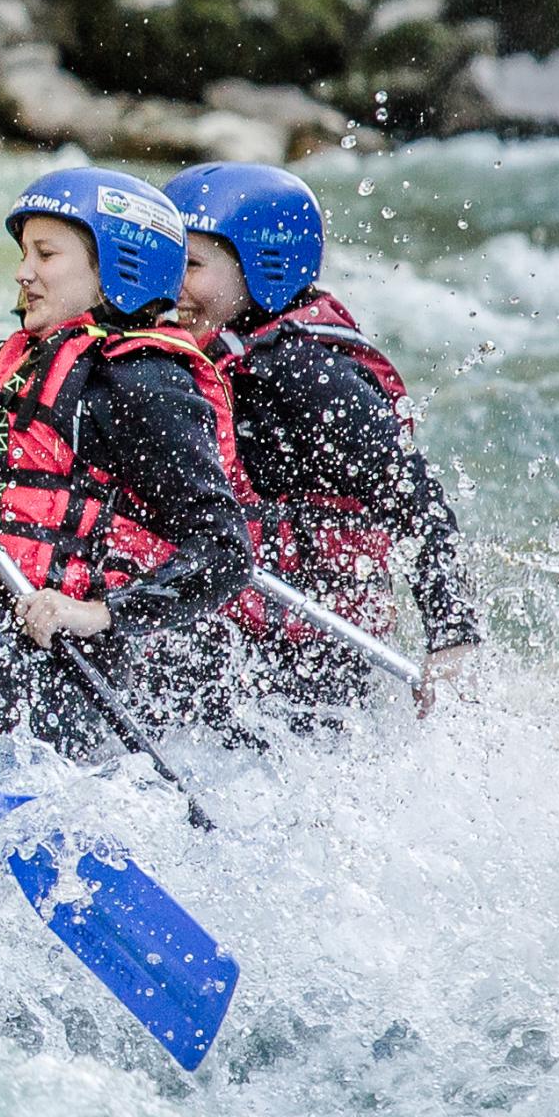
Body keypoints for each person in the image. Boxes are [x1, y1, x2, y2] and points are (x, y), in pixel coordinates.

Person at [167, 162, 482, 713]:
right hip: (227, 634)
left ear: (263, 266)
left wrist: (452, 636)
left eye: (191, 265)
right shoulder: (191, 357)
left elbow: (414, 500)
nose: (174, 286)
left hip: (311, 661)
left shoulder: (311, 373)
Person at [0, 166, 254, 718]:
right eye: (24, 254)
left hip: (72, 667)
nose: (23, 272)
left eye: (46, 255)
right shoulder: (12, 365)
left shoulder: (145, 383)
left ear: (117, 265)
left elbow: (225, 551)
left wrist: (98, 612)